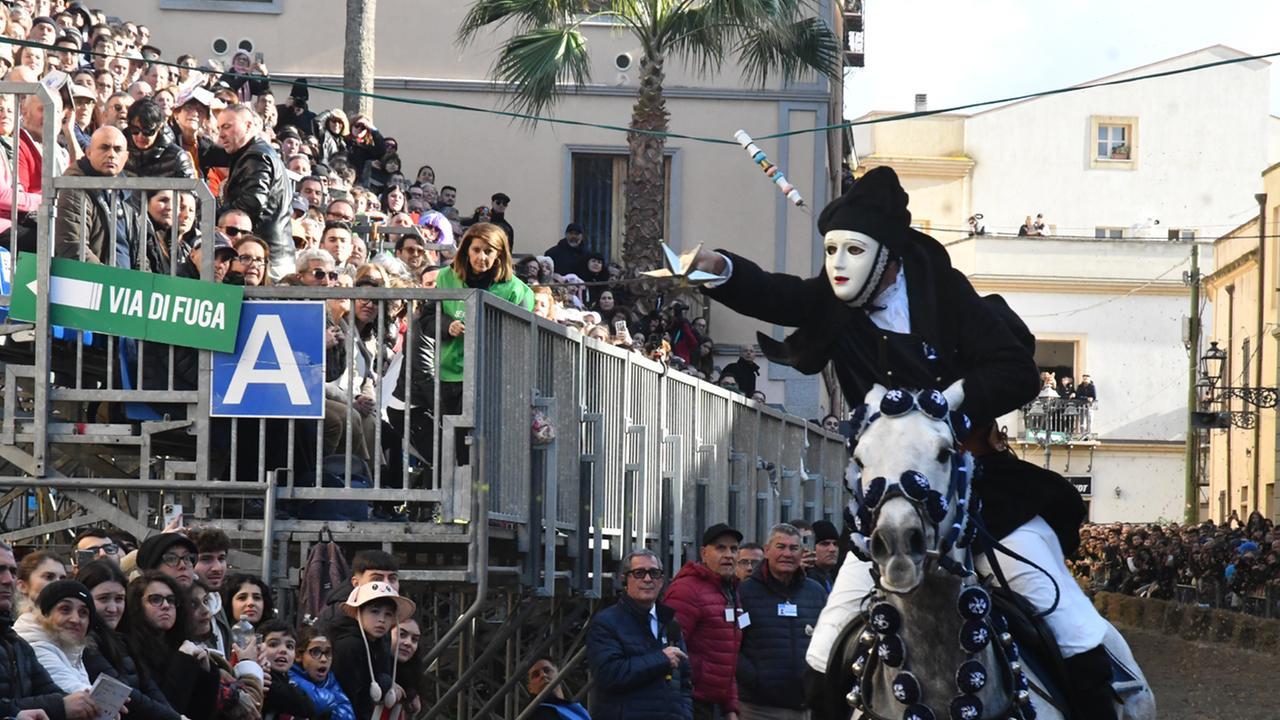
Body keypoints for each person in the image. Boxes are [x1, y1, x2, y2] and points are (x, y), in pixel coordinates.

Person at [690, 166, 1108, 718]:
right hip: (885, 506)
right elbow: (779, 294)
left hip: (976, 492)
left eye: (851, 250)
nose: (837, 265)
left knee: (1073, 623)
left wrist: (946, 404)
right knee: (821, 652)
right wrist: (720, 268)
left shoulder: (948, 295)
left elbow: (1016, 372)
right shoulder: (834, 304)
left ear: (887, 256)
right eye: (830, 250)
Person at [436, 223, 535, 458]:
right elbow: (430, 316)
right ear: (466, 251)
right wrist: (446, 325)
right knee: (454, 446)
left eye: (488, 251)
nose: (482, 257)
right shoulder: (445, 277)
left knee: (486, 446)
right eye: (476, 250)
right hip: (451, 373)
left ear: (499, 254)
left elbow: (519, 337)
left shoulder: (517, 290)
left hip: (491, 377)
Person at [585, 549, 692, 720]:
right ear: (625, 580)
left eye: (654, 573)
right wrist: (661, 659)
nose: (648, 579)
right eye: (639, 573)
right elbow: (609, 674)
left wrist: (684, 714)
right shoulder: (606, 623)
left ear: (662, 580)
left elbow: (684, 681)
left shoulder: (670, 622)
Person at [735, 524, 826, 720]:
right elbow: (733, 643)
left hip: (806, 707)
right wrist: (754, 678)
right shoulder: (745, 592)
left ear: (802, 553)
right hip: (758, 708)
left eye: (794, 548)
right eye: (781, 547)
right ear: (767, 551)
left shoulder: (816, 592)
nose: (787, 553)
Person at [0, 541, 98, 720]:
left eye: (12, 571)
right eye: (48, 576)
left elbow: (48, 689)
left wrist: (92, 704)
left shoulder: (15, 641)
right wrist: (62, 705)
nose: (7, 580)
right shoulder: (31, 639)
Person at [77, 560, 182, 720]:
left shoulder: (124, 639)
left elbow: (149, 687)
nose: (113, 608)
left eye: (119, 599)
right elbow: (121, 691)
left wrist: (177, 716)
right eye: (103, 599)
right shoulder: (86, 644)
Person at [663, 524, 744, 720]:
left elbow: (728, 655)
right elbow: (668, 649)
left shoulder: (731, 590)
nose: (729, 555)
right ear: (704, 553)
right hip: (690, 703)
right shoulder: (687, 590)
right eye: (720, 548)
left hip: (714, 704)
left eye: (734, 549)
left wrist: (730, 707)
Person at [119, 572, 220, 720]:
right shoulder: (127, 649)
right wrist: (184, 661)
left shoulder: (179, 645)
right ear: (137, 605)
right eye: (155, 599)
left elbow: (201, 712)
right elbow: (167, 709)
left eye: (171, 600)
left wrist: (206, 673)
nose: (166, 606)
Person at [216, 103, 293, 282]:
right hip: (271, 253)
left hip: (266, 256)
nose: (221, 134)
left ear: (248, 125)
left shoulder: (256, 156)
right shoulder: (254, 154)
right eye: (219, 128)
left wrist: (215, 216)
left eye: (227, 126)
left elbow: (251, 203)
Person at [54, 125, 145, 267]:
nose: (111, 154)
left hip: (127, 285)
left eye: (118, 149)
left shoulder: (129, 193)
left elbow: (140, 252)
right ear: (88, 152)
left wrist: (141, 285)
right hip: (93, 284)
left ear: (126, 157)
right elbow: (72, 245)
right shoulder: (75, 187)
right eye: (104, 147)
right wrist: (108, 280)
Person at [330, 582, 415, 720]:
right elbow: (347, 696)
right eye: (374, 611)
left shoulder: (378, 643)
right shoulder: (349, 645)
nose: (381, 620)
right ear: (358, 612)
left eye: (388, 615)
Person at [14, 580, 95, 693]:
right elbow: (75, 692)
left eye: (83, 613)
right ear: (44, 613)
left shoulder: (71, 650)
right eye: (65, 609)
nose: (75, 619)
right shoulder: (36, 645)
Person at [290, 626, 354, 720]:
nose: (323, 659)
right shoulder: (289, 676)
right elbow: (321, 703)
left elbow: (348, 715)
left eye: (328, 653)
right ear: (299, 655)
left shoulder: (330, 680)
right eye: (315, 652)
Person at [257, 620, 317, 719]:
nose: (283, 650)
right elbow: (302, 705)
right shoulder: (262, 681)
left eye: (289, 646)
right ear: (258, 648)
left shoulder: (288, 680)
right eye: (273, 644)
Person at [124, 98, 194, 179]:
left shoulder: (177, 157)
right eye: (135, 130)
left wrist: (170, 192)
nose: (140, 136)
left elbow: (191, 190)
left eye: (147, 131)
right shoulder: (119, 150)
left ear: (159, 127)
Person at [526, 657, 591, 720]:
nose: (543, 675)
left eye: (547, 670)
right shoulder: (531, 714)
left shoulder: (578, 709)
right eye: (536, 675)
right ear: (530, 688)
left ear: (558, 674)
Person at [806, 521, 839, 593]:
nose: (832, 549)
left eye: (835, 544)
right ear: (811, 548)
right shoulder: (806, 579)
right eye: (825, 544)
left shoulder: (829, 576)